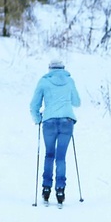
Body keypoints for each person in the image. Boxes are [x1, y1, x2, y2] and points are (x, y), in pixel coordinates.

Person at [30, 59, 81, 205]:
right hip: (67, 122)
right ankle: (60, 189)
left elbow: (34, 105)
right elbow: (77, 102)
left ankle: (46, 189)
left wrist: (38, 118)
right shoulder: (70, 81)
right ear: (63, 68)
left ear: (49, 69)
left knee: (49, 155)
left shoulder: (44, 82)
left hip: (49, 122)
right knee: (61, 157)